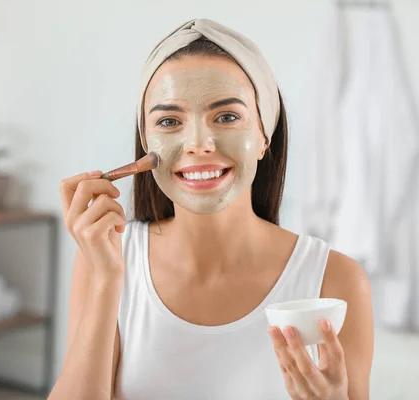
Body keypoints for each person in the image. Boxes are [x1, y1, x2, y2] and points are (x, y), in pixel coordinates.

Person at [52, 18, 373, 400]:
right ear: (146, 143)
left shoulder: (335, 280)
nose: (198, 143)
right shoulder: (106, 258)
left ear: (263, 136)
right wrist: (106, 279)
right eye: (169, 121)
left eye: (227, 117)